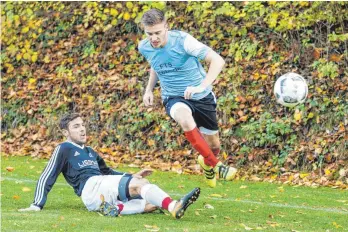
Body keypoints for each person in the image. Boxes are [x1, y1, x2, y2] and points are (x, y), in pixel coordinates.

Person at [18, 113, 200, 219]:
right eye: (76, 127)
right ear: (66, 132)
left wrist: (131, 175)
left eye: (83, 125)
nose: (82, 129)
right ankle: (174, 206)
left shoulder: (90, 151)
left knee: (149, 203)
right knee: (141, 186)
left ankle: (114, 209)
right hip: (90, 188)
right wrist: (36, 204)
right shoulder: (64, 148)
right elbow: (47, 175)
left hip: (100, 190)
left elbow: (108, 172)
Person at [138, 9, 237, 188]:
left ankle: (207, 162)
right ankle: (218, 166)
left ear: (166, 27)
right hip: (173, 96)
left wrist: (201, 86)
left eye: (158, 33)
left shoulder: (184, 42)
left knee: (213, 146)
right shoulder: (144, 46)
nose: (153, 38)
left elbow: (218, 61)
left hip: (201, 96)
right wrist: (149, 90)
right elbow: (156, 64)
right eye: (149, 34)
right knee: (185, 119)